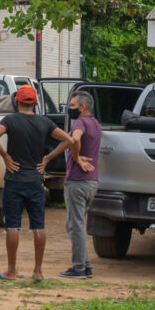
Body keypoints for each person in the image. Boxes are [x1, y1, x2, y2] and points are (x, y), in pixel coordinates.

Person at [0, 85, 74, 281]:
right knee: (38, 226)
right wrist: (47, 158)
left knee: (12, 226)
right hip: (35, 180)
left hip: (14, 180)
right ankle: (38, 272)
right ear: (35, 103)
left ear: (16, 101)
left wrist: (6, 156)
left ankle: (11, 271)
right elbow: (68, 140)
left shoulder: (10, 120)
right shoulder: (44, 122)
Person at [59, 91, 100, 279]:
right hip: (91, 182)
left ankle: (79, 268)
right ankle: (86, 265)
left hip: (77, 181)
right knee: (72, 225)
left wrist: (76, 157)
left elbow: (74, 139)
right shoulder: (96, 124)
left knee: (75, 226)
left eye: (72, 106)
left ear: (82, 107)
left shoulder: (80, 123)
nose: (69, 109)